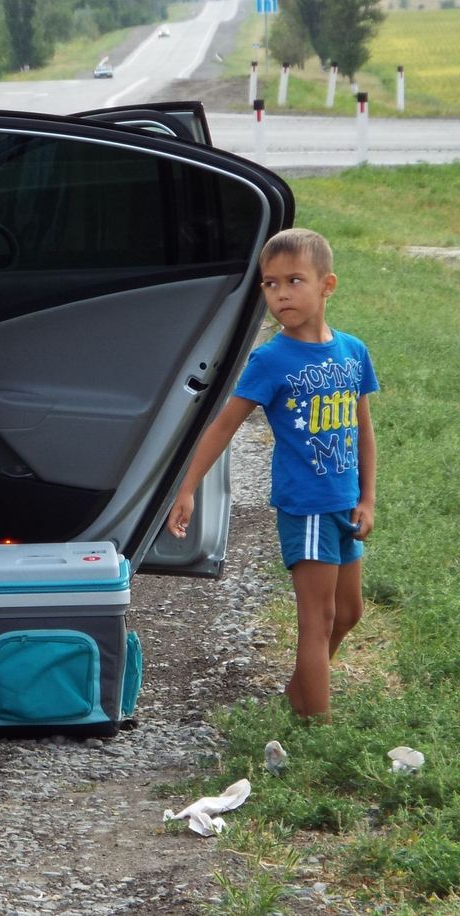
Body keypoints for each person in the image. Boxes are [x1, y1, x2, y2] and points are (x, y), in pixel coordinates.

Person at [167, 228, 377, 720]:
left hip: (346, 502)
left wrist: (367, 498)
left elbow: (363, 430)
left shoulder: (352, 351)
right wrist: (188, 487)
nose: (280, 293)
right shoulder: (271, 359)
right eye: (270, 284)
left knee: (348, 614)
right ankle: (316, 728)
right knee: (318, 621)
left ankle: (298, 696)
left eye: (294, 280)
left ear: (327, 285)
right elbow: (223, 427)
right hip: (305, 506)